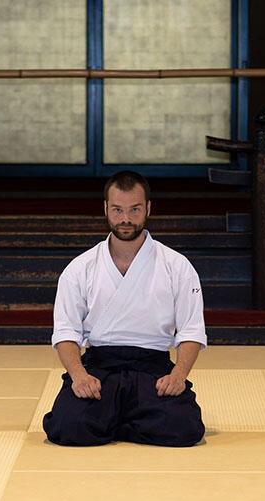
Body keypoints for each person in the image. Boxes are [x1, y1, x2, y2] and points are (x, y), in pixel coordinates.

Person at [43, 170, 206, 447]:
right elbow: (65, 332)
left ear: (148, 209)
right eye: (117, 210)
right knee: (67, 426)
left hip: (152, 367)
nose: (126, 219)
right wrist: (79, 376)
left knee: (185, 428)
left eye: (134, 210)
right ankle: (129, 419)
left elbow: (191, 330)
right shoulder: (80, 268)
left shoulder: (177, 266)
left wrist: (178, 376)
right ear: (106, 208)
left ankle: (112, 420)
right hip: (100, 367)